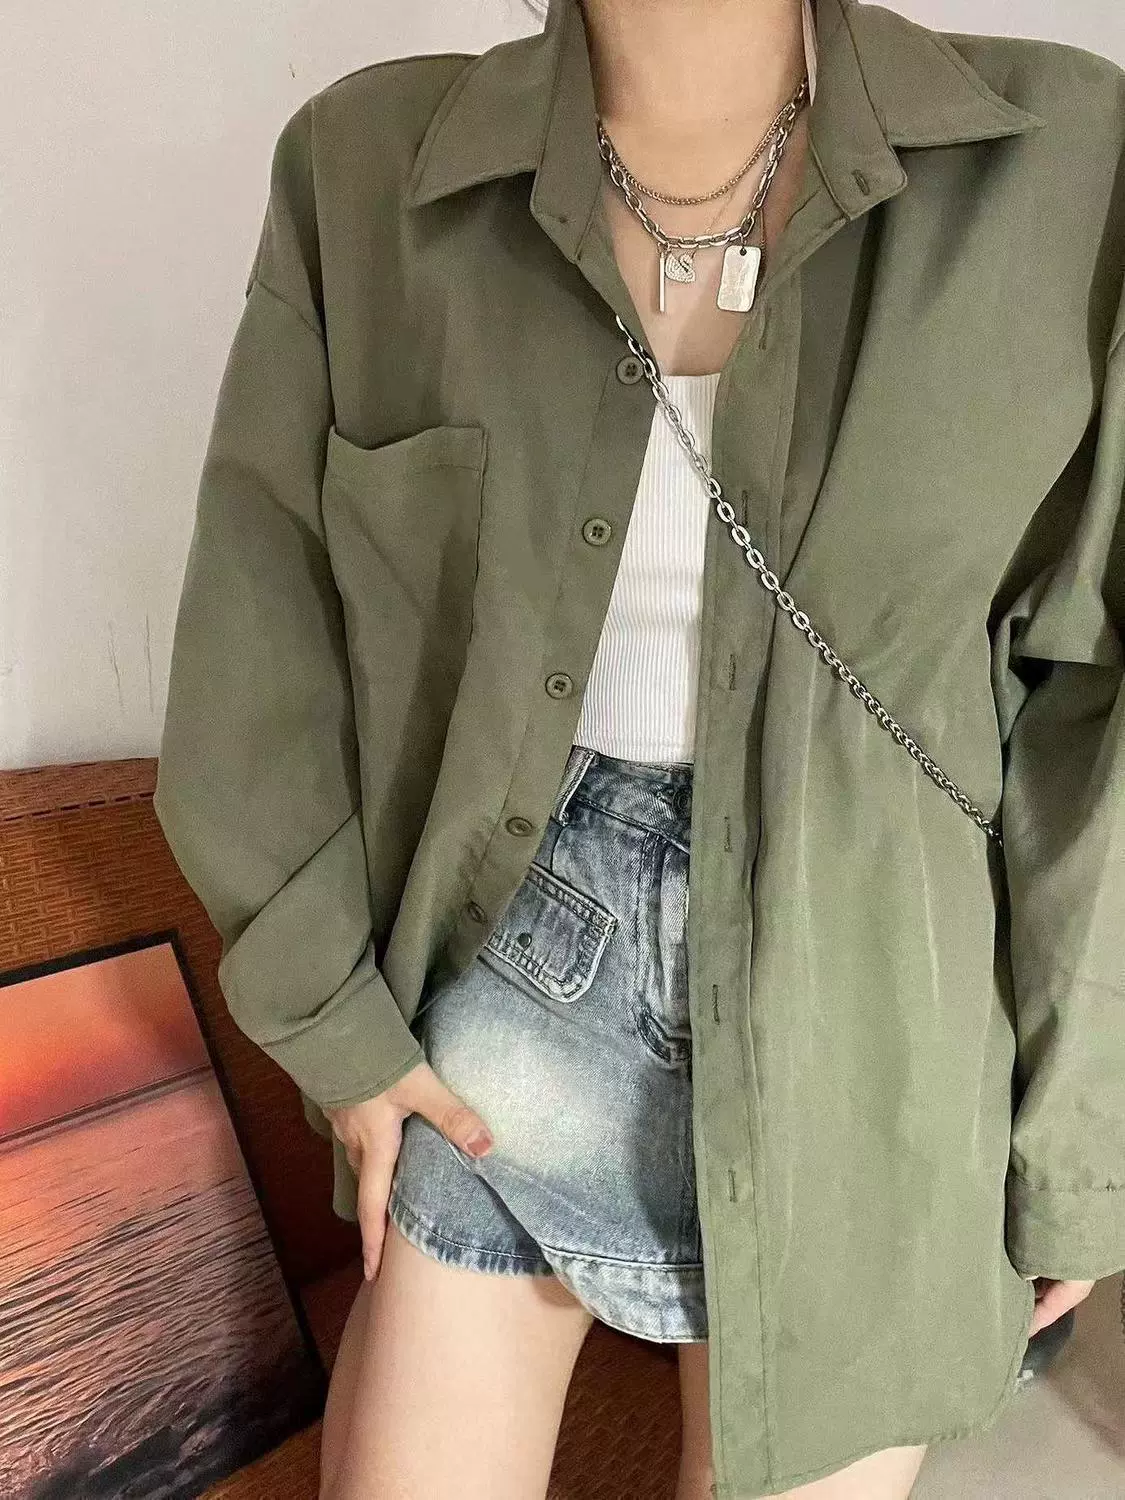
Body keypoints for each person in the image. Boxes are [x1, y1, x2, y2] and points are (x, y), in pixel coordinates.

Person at [152, 0, 1125, 1496]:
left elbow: (1094, 718)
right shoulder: (368, 172)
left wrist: (1076, 1149)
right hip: (510, 989)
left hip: (875, 1028)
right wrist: (333, 1025)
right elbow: (260, 629)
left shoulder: (1064, 166)